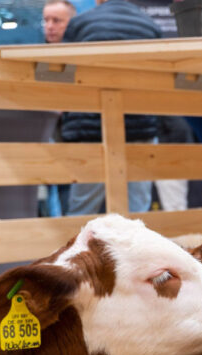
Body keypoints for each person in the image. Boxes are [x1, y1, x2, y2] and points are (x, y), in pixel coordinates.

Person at [61, 0, 162, 215]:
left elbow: (64, 75)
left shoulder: (81, 22)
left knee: (82, 210)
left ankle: (79, 248)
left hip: (92, 127)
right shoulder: (149, 25)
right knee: (137, 210)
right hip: (140, 126)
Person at [39, 0, 76, 217]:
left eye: (56, 20)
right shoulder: (36, 60)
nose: (50, 26)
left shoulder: (82, 58)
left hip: (76, 140)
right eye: (46, 20)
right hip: (47, 138)